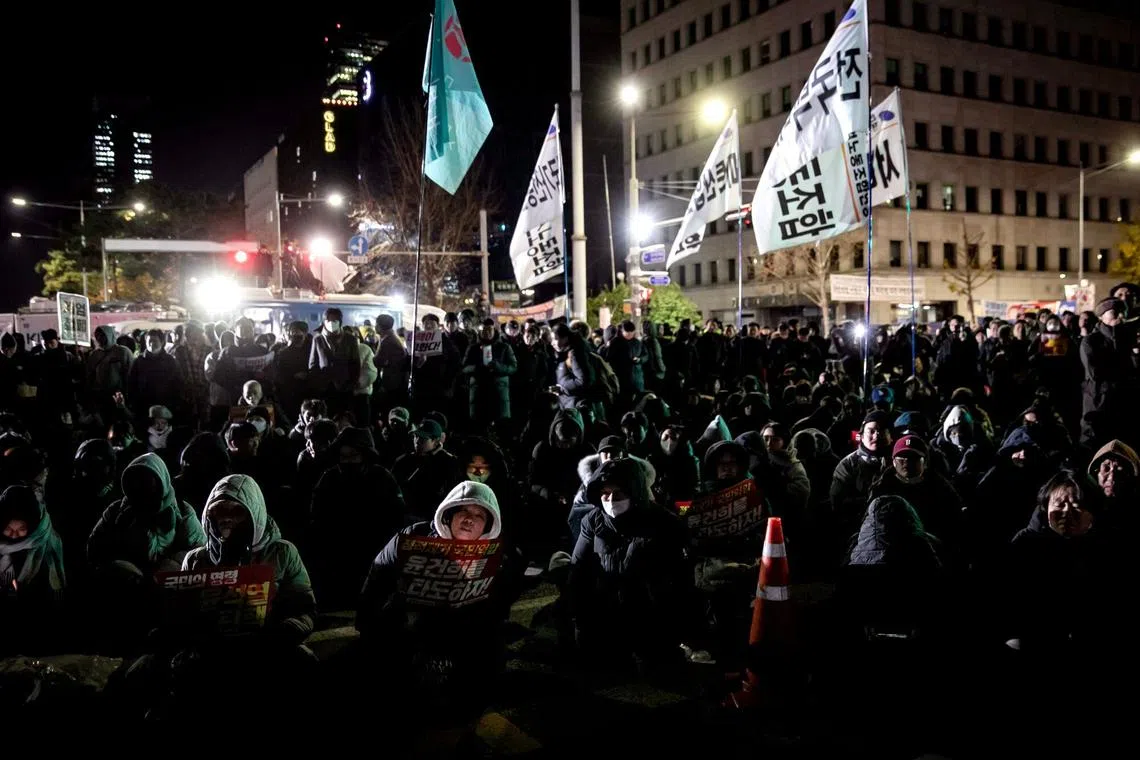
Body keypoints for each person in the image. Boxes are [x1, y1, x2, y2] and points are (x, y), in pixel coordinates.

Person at [355, 481, 516, 734]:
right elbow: (376, 580)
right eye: (463, 511)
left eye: (479, 515)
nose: (469, 520)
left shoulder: (496, 553)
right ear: (449, 513)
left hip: (463, 630)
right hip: (410, 625)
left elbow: (500, 610)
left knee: (492, 648)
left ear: (488, 524)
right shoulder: (411, 537)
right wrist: (372, 621)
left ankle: (465, 715)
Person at [567, 457, 690, 666]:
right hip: (605, 606)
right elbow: (578, 569)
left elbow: (680, 579)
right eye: (605, 493)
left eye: (619, 493)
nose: (611, 499)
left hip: (648, 612)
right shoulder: (592, 520)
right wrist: (578, 613)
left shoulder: (665, 523)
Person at [184, 474, 316, 645]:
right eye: (219, 511)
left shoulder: (282, 553)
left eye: (236, 511)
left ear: (253, 514)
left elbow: (304, 606)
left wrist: (290, 628)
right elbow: (183, 611)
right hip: (212, 647)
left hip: (269, 644)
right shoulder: (196, 559)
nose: (226, 519)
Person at [1005, 470, 1118, 656]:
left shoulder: (1106, 544)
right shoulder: (1026, 543)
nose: (1067, 512)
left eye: (1076, 505)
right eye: (1059, 504)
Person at [308, 427, 405, 607]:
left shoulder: (382, 477)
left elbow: (396, 515)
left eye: (353, 455)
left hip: (373, 550)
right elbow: (317, 514)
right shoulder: (330, 477)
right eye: (343, 456)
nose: (348, 461)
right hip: (337, 552)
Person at [868, 435, 964, 553]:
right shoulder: (881, 489)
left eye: (913, 458)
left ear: (925, 463)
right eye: (901, 458)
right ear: (893, 462)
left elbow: (955, 525)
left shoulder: (941, 489)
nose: (906, 462)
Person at [0, 485, 67, 654]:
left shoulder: (46, 547)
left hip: (35, 621)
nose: (14, 536)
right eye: (8, 529)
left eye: (21, 529)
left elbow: (49, 597)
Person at [1079, 297, 1138, 446]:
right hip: (1099, 401)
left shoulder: (1129, 339)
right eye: (1114, 312)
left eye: (1121, 312)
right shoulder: (1091, 341)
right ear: (1101, 316)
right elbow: (1095, 373)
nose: (1119, 316)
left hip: (1125, 402)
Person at [830, 411, 893, 541]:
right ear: (862, 435)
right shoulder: (848, 465)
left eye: (882, 431)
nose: (877, 435)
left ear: (891, 436)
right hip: (858, 531)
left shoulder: (900, 460)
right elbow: (839, 503)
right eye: (871, 431)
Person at [392, 419, 462, 521]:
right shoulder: (404, 460)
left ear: (436, 441)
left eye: (423, 438)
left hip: (432, 519)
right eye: (415, 436)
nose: (417, 441)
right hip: (403, 515)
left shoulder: (448, 462)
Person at [461, 319, 517, 428]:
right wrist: (477, 368)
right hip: (479, 394)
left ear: (494, 331)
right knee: (479, 428)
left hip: (498, 394)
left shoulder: (504, 347)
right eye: (484, 330)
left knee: (500, 429)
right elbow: (464, 367)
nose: (487, 333)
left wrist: (498, 367)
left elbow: (513, 367)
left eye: (490, 330)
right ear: (480, 332)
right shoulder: (473, 348)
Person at [126, 329, 184, 430]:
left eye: (155, 341)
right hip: (144, 408)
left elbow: (178, 384)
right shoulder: (138, 362)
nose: (151, 344)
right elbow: (131, 384)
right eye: (149, 341)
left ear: (162, 342)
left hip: (166, 408)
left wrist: (174, 405)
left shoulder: (170, 361)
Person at [309, 308, 361, 416]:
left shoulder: (350, 339)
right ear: (324, 322)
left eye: (335, 321)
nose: (331, 323)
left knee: (344, 417)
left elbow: (355, 363)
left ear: (340, 322)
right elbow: (313, 364)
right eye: (328, 321)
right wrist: (318, 383)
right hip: (325, 388)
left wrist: (352, 383)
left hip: (344, 387)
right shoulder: (318, 339)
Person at [1087, 439, 1138, 533]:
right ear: (1096, 474)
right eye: (1106, 469)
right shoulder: (1084, 511)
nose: (1111, 477)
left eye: (1120, 471)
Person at [85, 325, 134, 421]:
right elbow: (89, 377)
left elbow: (131, 375)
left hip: (119, 397)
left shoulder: (123, 352)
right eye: (97, 336)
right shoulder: (94, 355)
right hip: (100, 398)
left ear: (110, 335)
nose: (100, 338)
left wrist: (128, 396)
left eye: (103, 335)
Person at [169, 321, 211, 428]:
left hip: (205, 393)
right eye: (190, 333)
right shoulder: (180, 351)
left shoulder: (209, 351)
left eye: (197, 333)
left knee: (204, 423)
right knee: (188, 423)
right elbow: (177, 373)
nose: (194, 337)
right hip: (186, 394)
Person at [270, 321, 313, 424]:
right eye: (293, 334)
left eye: (299, 335)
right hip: (289, 393)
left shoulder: (312, 350)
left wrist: (308, 375)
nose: (296, 337)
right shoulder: (283, 353)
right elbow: (277, 374)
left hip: (308, 391)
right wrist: (292, 376)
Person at [372, 313, 407, 410]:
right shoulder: (390, 338)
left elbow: (378, 361)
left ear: (381, 326)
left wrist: (373, 358)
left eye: (376, 324)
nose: (374, 327)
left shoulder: (389, 341)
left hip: (392, 385)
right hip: (394, 383)